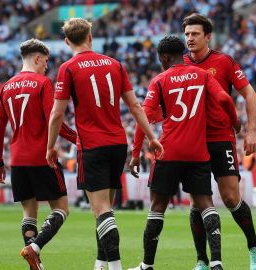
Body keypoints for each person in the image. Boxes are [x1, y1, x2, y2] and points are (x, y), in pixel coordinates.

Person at [46, 18, 163, 270]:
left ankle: (115, 267)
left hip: (92, 145)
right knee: (105, 209)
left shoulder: (68, 68)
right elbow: (134, 105)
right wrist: (152, 137)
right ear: (90, 36)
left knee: (101, 211)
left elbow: (56, 114)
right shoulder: (115, 64)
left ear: (67, 41)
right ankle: (100, 263)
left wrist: (50, 146)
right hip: (117, 144)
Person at [128, 36, 240, 270]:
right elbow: (224, 99)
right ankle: (217, 263)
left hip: (168, 151)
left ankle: (147, 265)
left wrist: (136, 152)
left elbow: (143, 116)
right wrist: (235, 122)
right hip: (198, 153)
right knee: (206, 204)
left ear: (166, 57)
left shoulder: (159, 80)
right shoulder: (203, 75)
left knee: (158, 206)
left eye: (160, 59)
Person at [181, 13, 256, 270]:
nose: (190, 38)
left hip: (220, 138)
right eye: (187, 34)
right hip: (192, 142)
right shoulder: (178, 63)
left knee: (230, 197)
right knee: (197, 202)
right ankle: (202, 261)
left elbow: (249, 94)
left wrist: (251, 131)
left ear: (208, 36)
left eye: (195, 34)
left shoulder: (224, 62)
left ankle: (255, 247)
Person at [0, 38, 77, 270]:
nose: (47, 66)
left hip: (17, 160)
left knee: (29, 213)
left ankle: (35, 264)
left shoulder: (5, 87)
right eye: (46, 61)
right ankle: (35, 247)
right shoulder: (42, 83)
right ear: (37, 58)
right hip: (42, 157)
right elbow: (54, 120)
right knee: (61, 209)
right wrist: (80, 139)